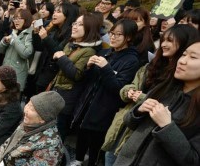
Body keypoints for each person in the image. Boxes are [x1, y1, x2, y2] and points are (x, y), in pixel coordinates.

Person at [103, 24, 199, 166]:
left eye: (193, 57)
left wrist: (167, 127)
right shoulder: (165, 87)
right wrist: (138, 110)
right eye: (184, 55)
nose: (183, 61)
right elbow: (129, 121)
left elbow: (193, 160)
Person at [71, 19, 141, 166]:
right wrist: (89, 67)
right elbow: (88, 80)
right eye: (111, 33)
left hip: (105, 110)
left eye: (118, 34)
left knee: (96, 144)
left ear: (128, 37)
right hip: (88, 104)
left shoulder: (131, 60)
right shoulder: (106, 52)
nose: (113, 37)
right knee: (82, 133)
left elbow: (119, 89)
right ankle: (77, 160)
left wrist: (106, 68)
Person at [50, 12, 102, 140]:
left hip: (68, 97)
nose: (75, 27)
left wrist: (61, 57)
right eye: (75, 23)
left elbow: (77, 75)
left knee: (58, 134)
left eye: (80, 25)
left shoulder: (89, 51)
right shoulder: (71, 44)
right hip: (56, 91)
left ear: (90, 29)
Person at [0, 91, 66, 166]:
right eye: (28, 104)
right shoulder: (28, 124)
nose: (26, 110)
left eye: (32, 109)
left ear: (42, 119)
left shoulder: (50, 147)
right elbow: (7, 144)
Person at [0, 8, 33, 92]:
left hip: (18, 74)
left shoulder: (29, 34)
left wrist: (14, 40)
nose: (16, 21)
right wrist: (4, 42)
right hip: (5, 72)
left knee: (14, 101)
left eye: (19, 18)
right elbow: (0, 50)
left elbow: (26, 53)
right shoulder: (13, 32)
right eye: (15, 18)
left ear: (26, 20)